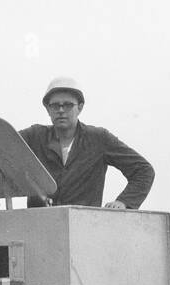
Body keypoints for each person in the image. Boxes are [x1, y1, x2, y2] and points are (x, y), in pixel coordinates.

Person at [19, 77, 154, 209]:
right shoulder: (35, 136)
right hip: (39, 225)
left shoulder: (98, 139)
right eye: (55, 106)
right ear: (48, 109)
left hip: (83, 226)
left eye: (68, 105)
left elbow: (143, 170)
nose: (61, 110)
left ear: (80, 108)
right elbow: (2, 145)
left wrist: (124, 201)